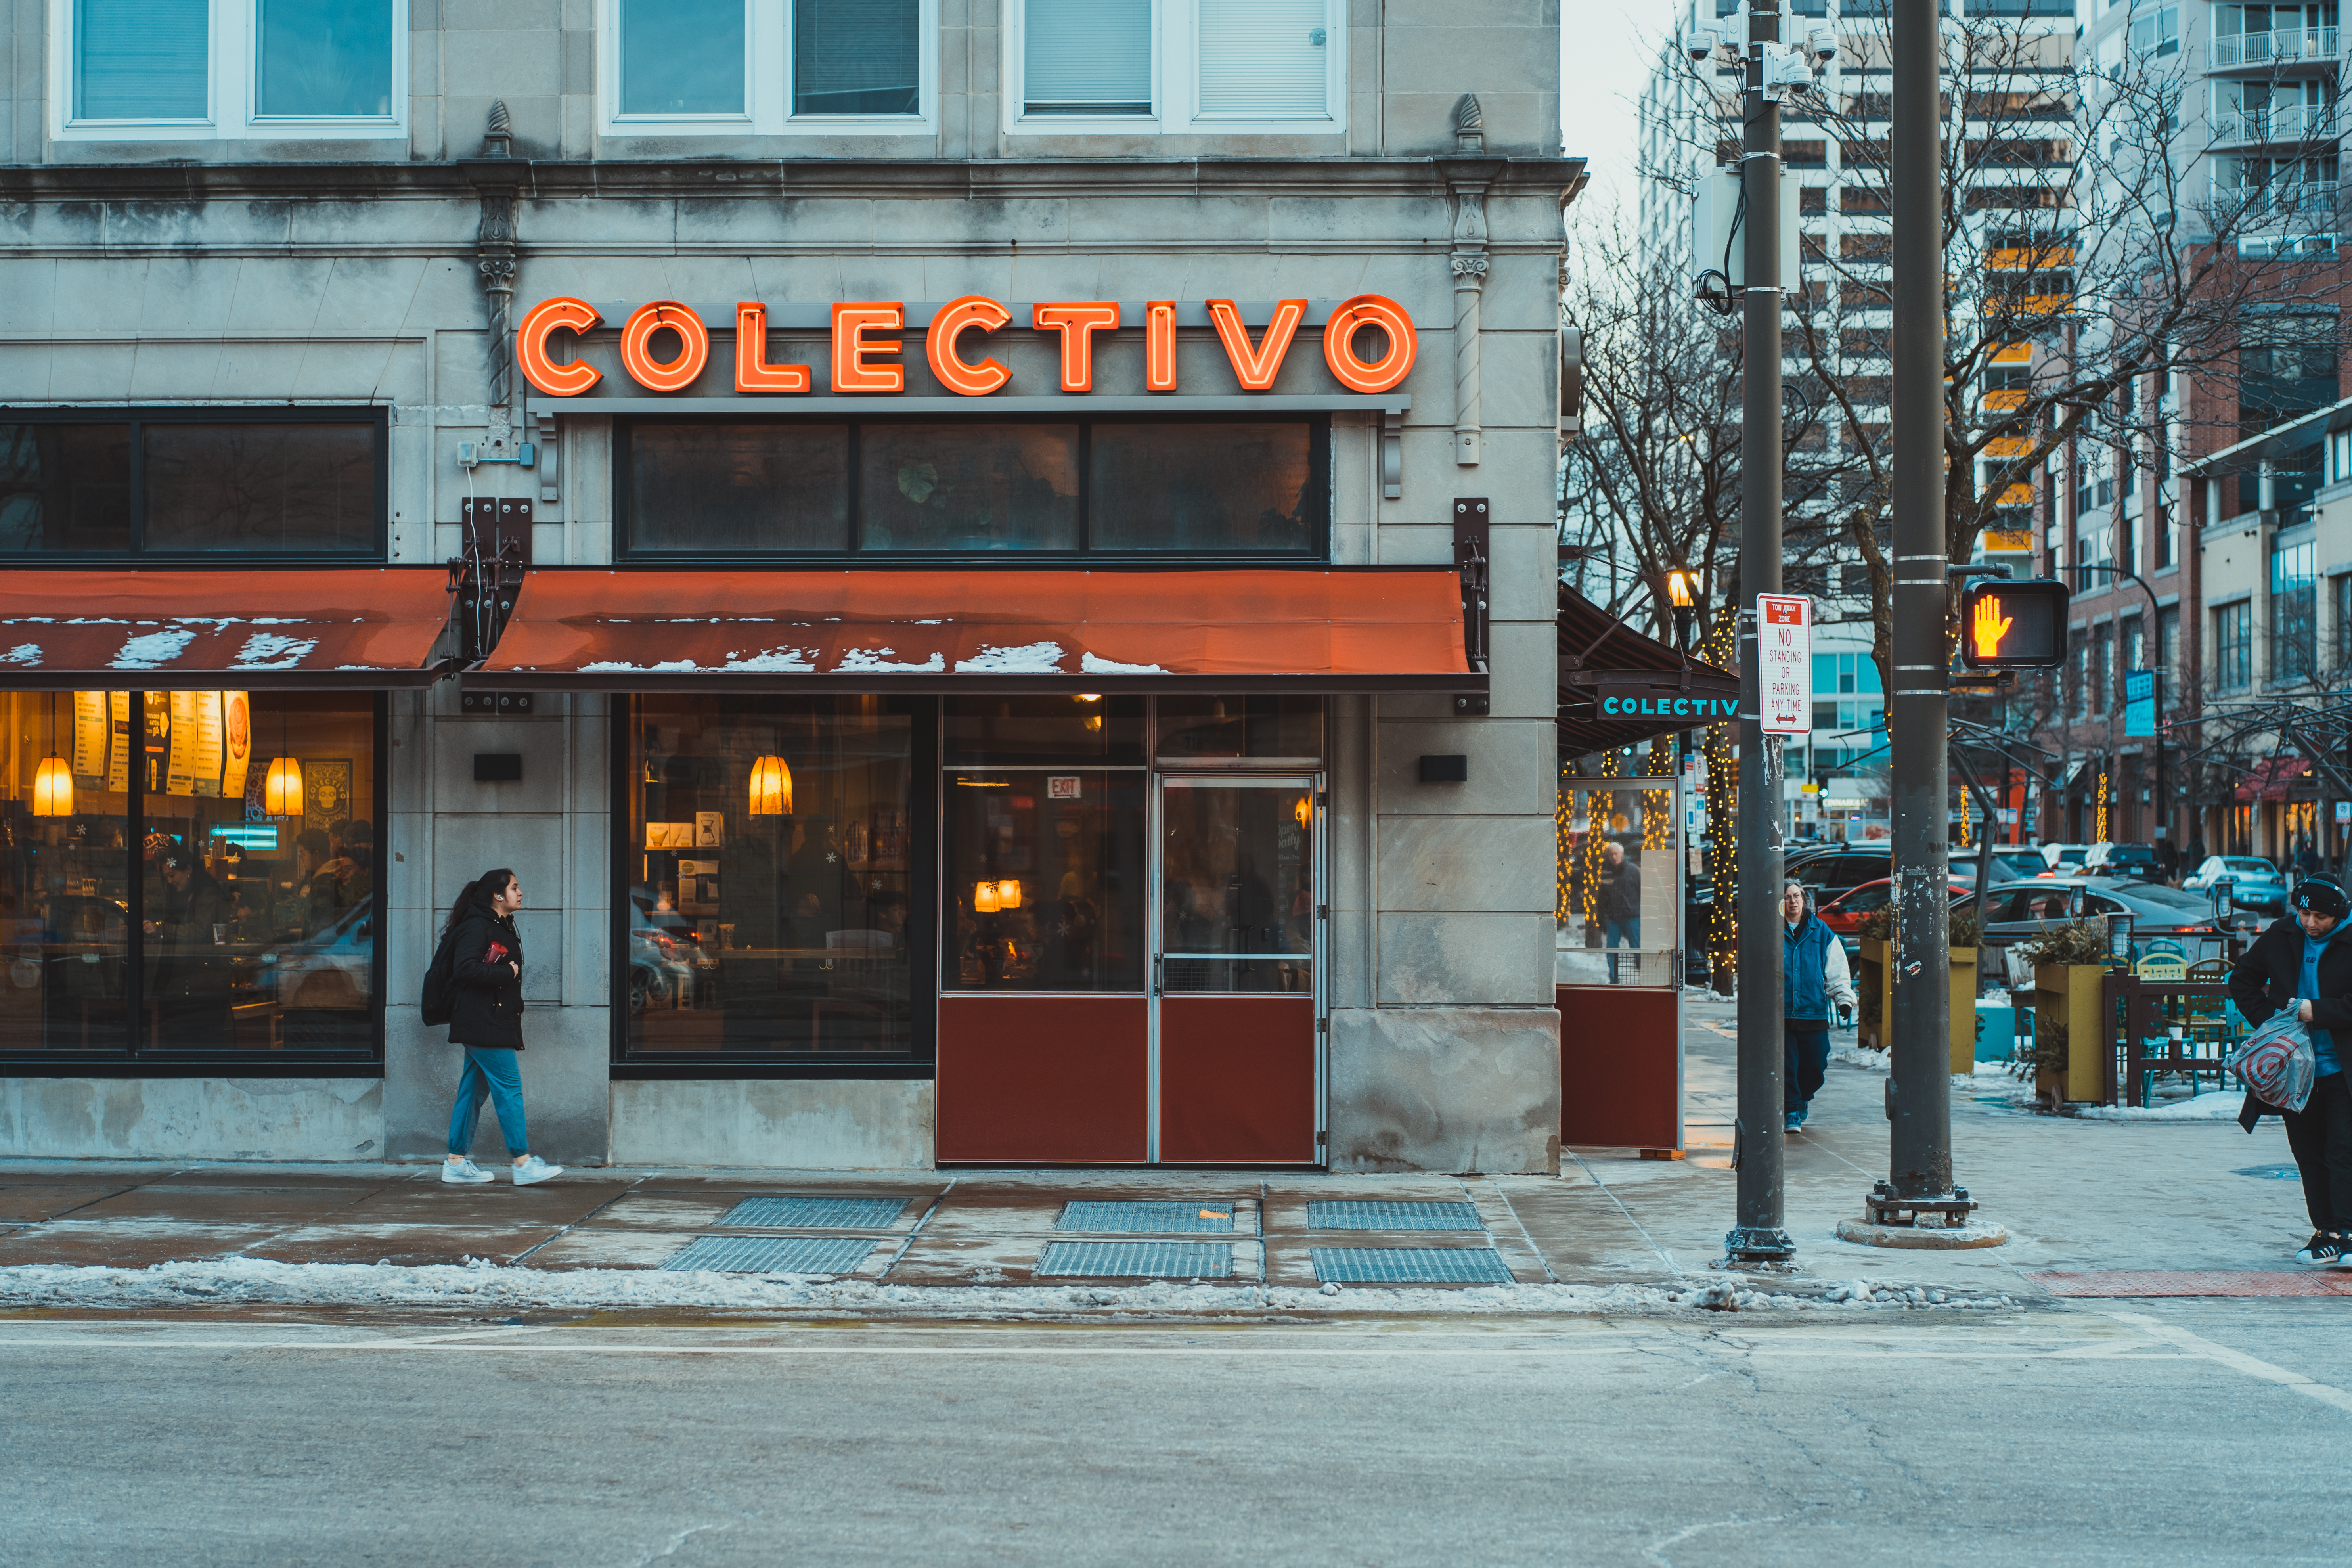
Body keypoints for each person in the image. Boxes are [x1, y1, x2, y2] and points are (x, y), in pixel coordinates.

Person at [2227, 875, 2352, 1265]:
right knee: (2307, 1153)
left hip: (2343, 1070)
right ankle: (2326, 1233)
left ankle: (2347, 1231)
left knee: (2342, 1151)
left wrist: (2317, 1011)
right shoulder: (2283, 934)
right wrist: (2272, 1024)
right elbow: (2241, 980)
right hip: (2295, 1072)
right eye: (2304, 912)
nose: (2310, 923)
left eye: (2319, 916)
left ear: (2338, 915)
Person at [440, 868, 563, 1187]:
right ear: (498, 895)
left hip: (488, 1018)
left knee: (473, 1090)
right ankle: (522, 1162)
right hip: (484, 1021)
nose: (520, 893)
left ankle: (455, 1162)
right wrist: (506, 973)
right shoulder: (478, 926)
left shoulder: (498, 924)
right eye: (515, 887)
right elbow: (464, 968)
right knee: (509, 1088)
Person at [1782, 879, 1856, 1133]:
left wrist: (1843, 999)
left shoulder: (1821, 932)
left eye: (1797, 896)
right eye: (1788, 897)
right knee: (1787, 1065)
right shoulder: (1771, 931)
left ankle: (1803, 1098)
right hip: (1781, 1012)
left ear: (1804, 900)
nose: (1793, 901)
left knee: (1816, 1065)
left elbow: (1836, 970)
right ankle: (1792, 1109)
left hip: (1813, 1011)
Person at [145, 850, 233, 1048]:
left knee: (202, 1037)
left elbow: (199, 932)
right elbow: (153, 902)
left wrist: (161, 928)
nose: (169, 881)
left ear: (189, 870)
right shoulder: (181, 892)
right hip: (191, 976)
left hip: (207, 976)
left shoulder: (208, 893)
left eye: (172, 875)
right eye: (166, 876)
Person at [1600, 841, 1642, 982]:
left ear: (1622, 854)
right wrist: (1602, 918)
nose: (1614, 857)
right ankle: (1614, 980)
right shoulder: (1606, 872)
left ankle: (1644, 975)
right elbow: (1602, 897)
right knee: (1612, 949)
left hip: (1632, 916)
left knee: (1637, 947)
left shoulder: (1633, 870)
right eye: (1611, 854)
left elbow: (1642, 892)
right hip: (1614, 918)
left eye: (1616, 854)